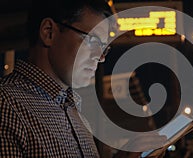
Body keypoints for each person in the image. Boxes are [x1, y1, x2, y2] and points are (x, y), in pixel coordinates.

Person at [0, 0, 167, 157]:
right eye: (92, 40)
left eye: (104, 47)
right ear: (48, 32)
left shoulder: (76, 111)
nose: (101, 57)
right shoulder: (7, 106)